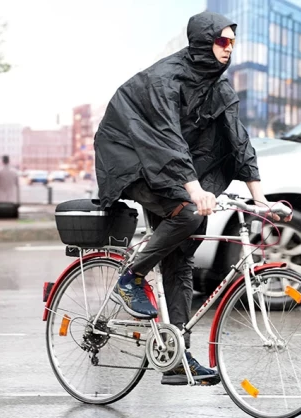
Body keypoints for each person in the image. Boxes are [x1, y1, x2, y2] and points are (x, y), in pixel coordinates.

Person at [94, 11, 289, 386]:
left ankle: (175, 358)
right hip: (128, 155)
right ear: (203, 41)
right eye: (222, 41)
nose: (228, 49)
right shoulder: (165, 79)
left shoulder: (218, 85)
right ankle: (130, 277)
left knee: (182, 255)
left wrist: (261, 199)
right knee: (187, 214)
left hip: (161, 161)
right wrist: (193, 186)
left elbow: (238, 139)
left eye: (232, 42)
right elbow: (165, 137)